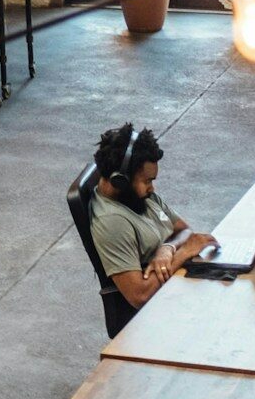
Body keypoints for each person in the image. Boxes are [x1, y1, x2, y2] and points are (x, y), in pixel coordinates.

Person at [88, 124, 218, 309]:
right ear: (120, 180)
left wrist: (167, 248)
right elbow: (139, 296)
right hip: (161, 307)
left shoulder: (136, 196)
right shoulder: (112, 223)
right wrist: (183, 252)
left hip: (178, 284)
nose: (152, 188)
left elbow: (184, 230)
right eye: (147, 181)